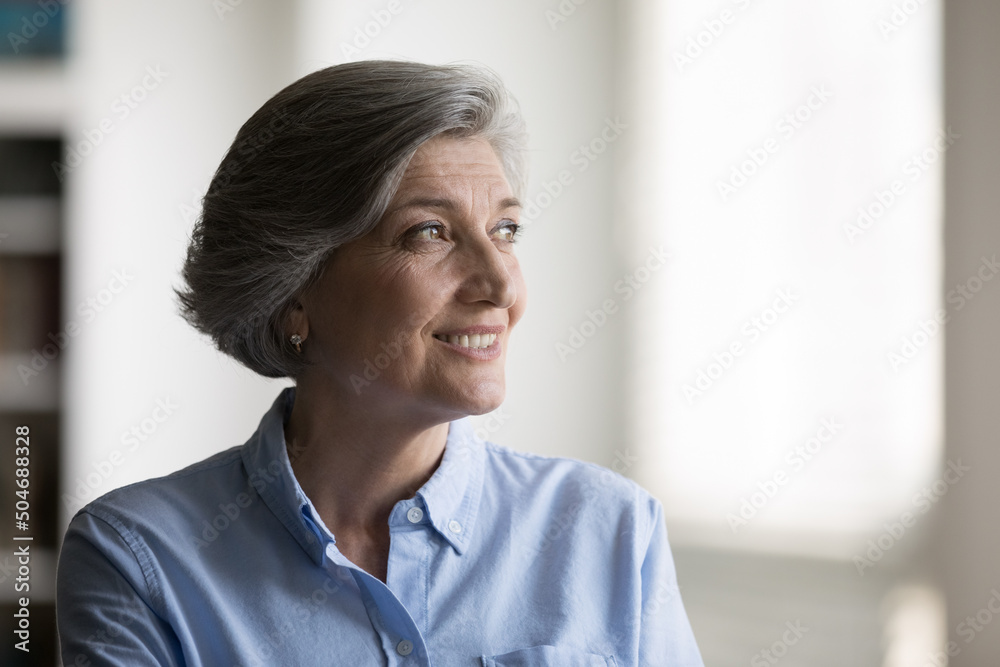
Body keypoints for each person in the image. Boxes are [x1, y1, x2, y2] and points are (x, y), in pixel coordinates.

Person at [56, 60, 704, 666]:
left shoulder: (612, 529)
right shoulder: (139, 557)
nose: (501, 287)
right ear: (293, 293)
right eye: (430, 232)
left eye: (505, 230)